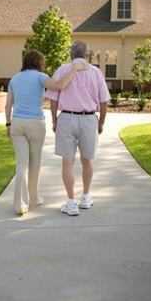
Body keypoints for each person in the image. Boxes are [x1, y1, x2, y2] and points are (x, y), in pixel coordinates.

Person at [5, 50, 86, 216]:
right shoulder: (41, 77)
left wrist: (8, 124)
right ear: (39, 63)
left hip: (17, 124)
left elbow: (8, 105)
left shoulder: (14, 78)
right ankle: (33, 199)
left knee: (21, 164)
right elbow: (59, 85)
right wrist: (74, 70)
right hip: (36, 123)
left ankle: (19, 204)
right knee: (35, 163)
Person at [45, 41, 110, 216]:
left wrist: (54, 120)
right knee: (87, 160)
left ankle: (71, 202)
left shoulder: (62, 70)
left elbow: (53, 98)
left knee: (67, 162)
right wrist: (101, 122)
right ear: (87, 54)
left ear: (71, 54)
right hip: (89, 119)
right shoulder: (96, 73)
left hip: (66, 118)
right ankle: (86, 197)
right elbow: (104, 101)